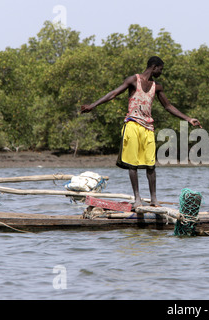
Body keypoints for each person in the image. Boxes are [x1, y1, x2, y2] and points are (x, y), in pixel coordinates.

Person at [81, 56, 201, 209]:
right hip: (132, 125)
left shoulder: (157, 86)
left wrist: (188, 119)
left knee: (151, 165)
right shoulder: (133, 80)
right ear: (154, 67)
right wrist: (93, 105)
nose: (161, 72)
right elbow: (113, 94)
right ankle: (137, 198)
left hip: (148, 128)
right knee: (133, 164)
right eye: (161, 69)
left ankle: (153, 199)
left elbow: (168, 106)